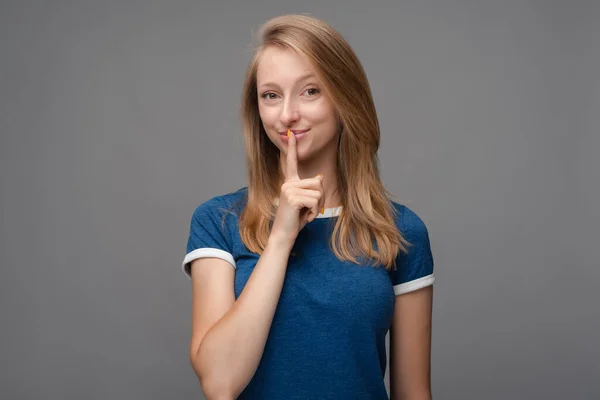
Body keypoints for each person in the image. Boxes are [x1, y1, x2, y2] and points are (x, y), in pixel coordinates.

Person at [181, 14, 435, 400]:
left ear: (344, 98)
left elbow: (413, 392)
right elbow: (220, 382)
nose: (287, 115)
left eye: (310, 91)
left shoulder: (400, 230)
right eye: (271, 95)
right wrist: (281, 237)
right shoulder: (218, 222)